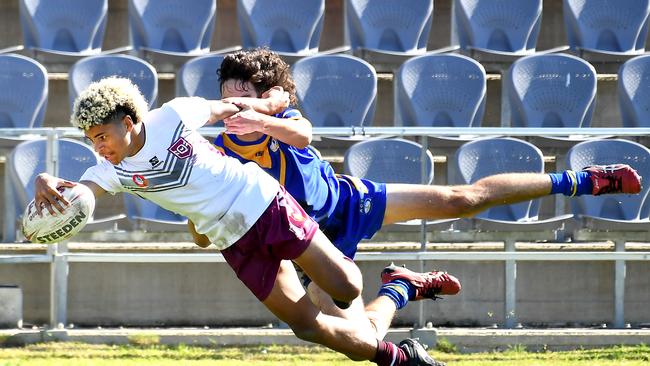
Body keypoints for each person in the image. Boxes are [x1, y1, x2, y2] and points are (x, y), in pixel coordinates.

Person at [188, 47, 643, 317]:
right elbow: (204, 235)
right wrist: (196, 214)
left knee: (460, 199)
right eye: (226, 100)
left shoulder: (283, 121)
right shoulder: (219, 156)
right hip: (311, 246)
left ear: (268, 98)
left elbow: (303, 132)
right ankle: (402, 288)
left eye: (242, 98)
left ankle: (585, 179)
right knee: (351, 333)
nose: (233, 110)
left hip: (349, 203)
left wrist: (263, 114)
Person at [33, 76, 446, 366]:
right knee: (306, 327)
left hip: (263, 202)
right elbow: (83, 191)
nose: (98, 148)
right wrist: (49, 182)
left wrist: (267, 106)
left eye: (102, 136)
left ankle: (392, 291)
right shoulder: (109, 169)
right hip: (232, 240)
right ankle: (396, 356)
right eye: (90, 141)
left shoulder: (170, 116)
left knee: (347, 287)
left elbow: (224, 108)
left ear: (128, 122)